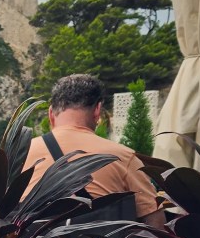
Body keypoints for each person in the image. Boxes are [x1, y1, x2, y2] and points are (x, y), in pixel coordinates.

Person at [23, 74, 164, 226]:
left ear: (51, 113)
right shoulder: (123, 157)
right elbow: (155, 222)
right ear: (97, 110)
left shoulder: (20, 155)